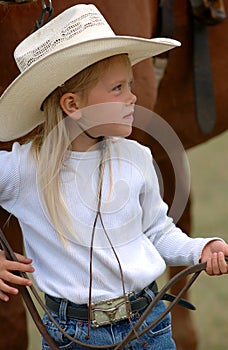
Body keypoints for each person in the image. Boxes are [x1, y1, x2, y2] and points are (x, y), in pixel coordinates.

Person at [0, 4, 227, 349]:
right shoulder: (25, 168)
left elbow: (158, 231)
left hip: (149, 325)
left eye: (131, 84)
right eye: (118, 88)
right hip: (73, 336)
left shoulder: (137, 157)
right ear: (73, 105)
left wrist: (200, 249)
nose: (133, 97)